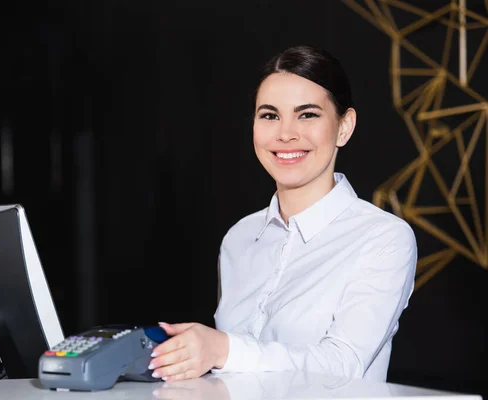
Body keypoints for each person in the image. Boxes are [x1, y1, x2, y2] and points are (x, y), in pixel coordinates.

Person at [148, 45, 417, 383]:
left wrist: (223, 350)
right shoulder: (239, 238)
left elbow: (344, 365)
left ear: (344, 127)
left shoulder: (383, 238)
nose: (286, 134)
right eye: (270, 115)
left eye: (307, 114)